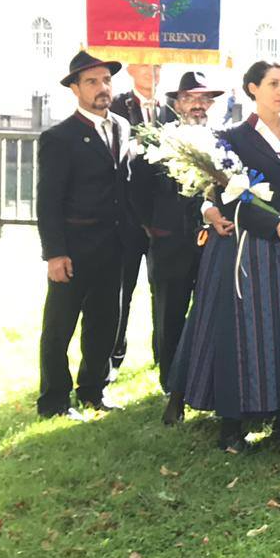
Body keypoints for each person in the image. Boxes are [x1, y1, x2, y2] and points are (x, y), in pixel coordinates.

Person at [176, 60, 280, 453]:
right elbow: (229, 198)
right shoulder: (232, 138)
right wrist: (275, 225)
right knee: (247, 334)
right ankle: (232, 425)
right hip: (253, 250)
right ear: (251, 89)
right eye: (272, 84)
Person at [36, 51, 142, 417]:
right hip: (74, 249)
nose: (102, 88)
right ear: (75, 89)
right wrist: (54, 253)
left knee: (103, 324)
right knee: (59, 328)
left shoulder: (121, 127)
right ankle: (53, 400)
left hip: (114, 247)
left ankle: (93, 392)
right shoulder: (59, 138)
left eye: (106, 80)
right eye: (92, 82)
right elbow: (48, 201)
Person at [128, 70, 223, 424]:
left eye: (203, 98)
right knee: (169, 315)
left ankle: (202, 381)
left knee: (209, 313)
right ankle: (171, 386)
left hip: (213, 243)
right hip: (170, 244)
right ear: (177, 103)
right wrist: (154, 227)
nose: (197, 105)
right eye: (189, 98)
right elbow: (135, 189)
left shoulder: (222, 139)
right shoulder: (158, 140)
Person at [109, 61, 174, 371]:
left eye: (158, 66)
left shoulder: (171, 108)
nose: (153, 72)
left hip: (161, 218)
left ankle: (162, 355)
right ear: (132, 69)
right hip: (127, 217)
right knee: (122, 290)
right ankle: (113, 354)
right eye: (146, 66)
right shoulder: (117, 105)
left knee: (160, 289)